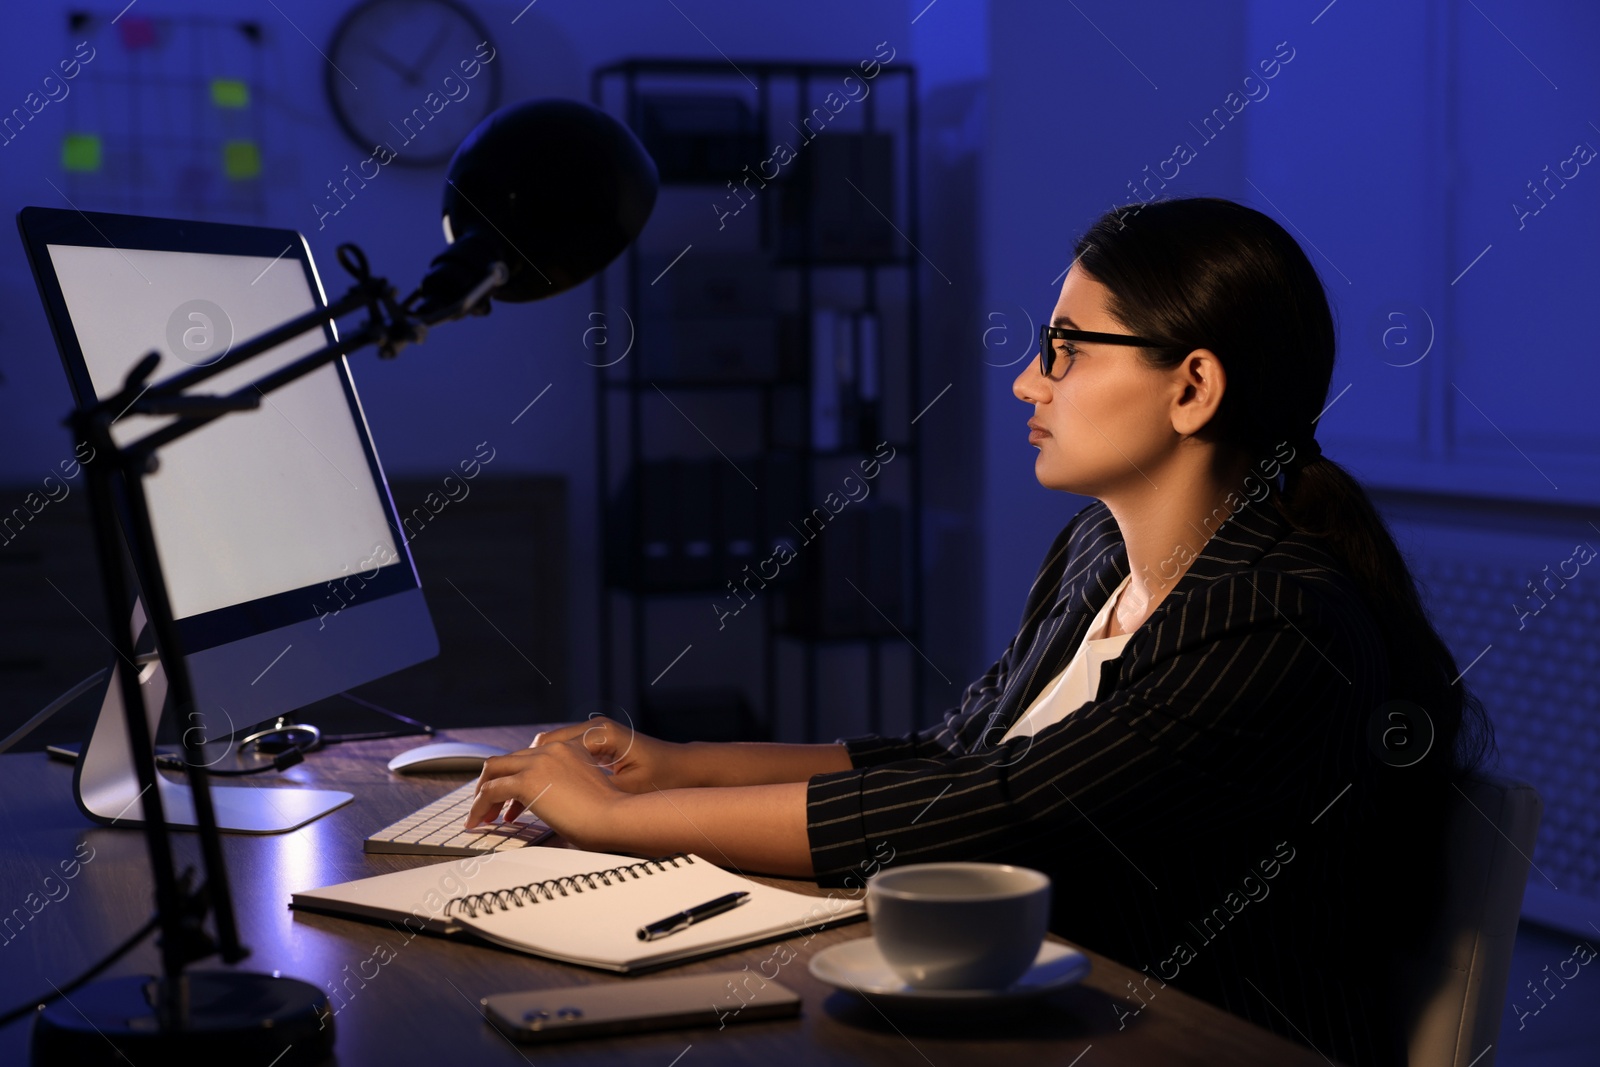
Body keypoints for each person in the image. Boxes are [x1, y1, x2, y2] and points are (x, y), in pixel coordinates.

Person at [466, 196, 1493, 1066]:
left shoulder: (1278, 618)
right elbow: (953, 755)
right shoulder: (1096, 552)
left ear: (1191, 386)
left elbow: (1002, 815)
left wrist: (609, 822)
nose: (1027, 381)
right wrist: (675, 768)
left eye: (1065, 349)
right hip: (1038, 1012)